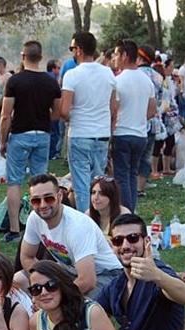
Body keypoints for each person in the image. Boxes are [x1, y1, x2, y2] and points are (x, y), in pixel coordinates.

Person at [19, 174, 122, 299]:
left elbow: (87, 281)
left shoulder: (77, 226)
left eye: (49, 198)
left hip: (105, 274)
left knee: (76, 308)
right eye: (36, 200)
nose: (42, 205)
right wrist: (41, 283)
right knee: (19, 280)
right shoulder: (35, 218)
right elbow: (27, 256)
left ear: (59, 196)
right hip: (69, 270)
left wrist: (51, 295)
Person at [0, 40, 61, 243]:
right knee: (41, 181)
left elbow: (5, 115)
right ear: (41, 57)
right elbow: (57, 112)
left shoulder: (15, 81)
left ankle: (15, 228)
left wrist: (2, 140)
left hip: (20, 133)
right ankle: (44, 224)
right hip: (42, 134)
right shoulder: (51, 81)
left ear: (22, 56)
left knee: (14, 181)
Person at [61, 32, 116, 212]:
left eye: (72, 49)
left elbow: (64, 110)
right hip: (101, 133)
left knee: (81, 185)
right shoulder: (108, 73)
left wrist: (69, 118)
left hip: (79, 133)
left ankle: (85, 222)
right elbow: (113, 107)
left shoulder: (72, 75)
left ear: (79, 50)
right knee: (99, 183)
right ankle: (100, 218)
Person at [112, 39, 157, 212]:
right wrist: (138, 117)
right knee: (132, 174)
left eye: (116, 54)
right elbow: (152, 110)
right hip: (140, 134)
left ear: (124, 55)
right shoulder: (146, 80)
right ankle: (131, 209)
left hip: (122, 132)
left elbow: (113, 109)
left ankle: (125, 211)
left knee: (121, 176)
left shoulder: (118, 81)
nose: (114, 58)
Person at [136, 45, 164, 197]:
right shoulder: (158, 76)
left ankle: (131, 185)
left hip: (135, 121)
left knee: (133, 156)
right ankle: (140, 187)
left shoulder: (134, 75)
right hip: (153, 120)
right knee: (146, 156)